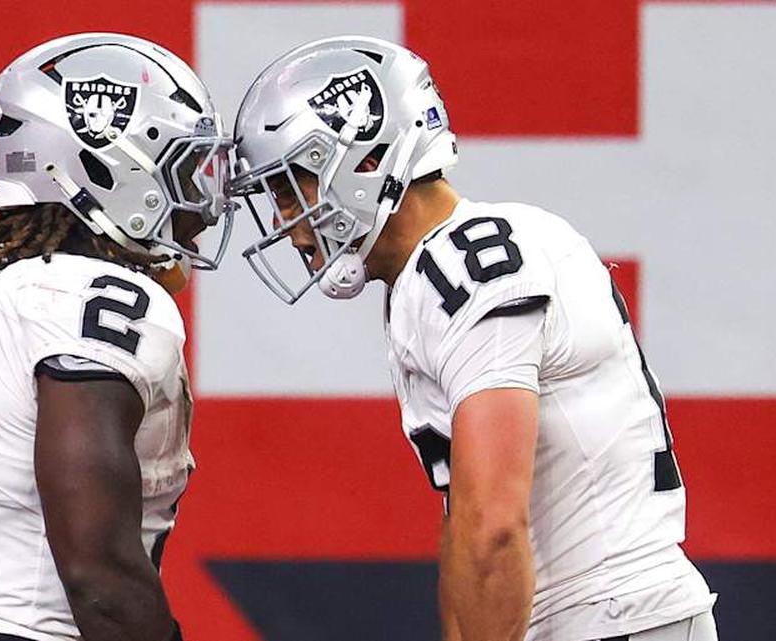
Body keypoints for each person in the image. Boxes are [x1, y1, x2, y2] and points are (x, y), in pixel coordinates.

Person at [229, 36, 718, 641]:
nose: (284, 222)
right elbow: (465, 522)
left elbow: (494, 526)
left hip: (608, 617)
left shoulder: (467, 263)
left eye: (288, 189)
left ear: (361, 160)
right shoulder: (429, 274)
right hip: (595, 618)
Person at [0, 33, 233, 641]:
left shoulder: (15, 291)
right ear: (107, 165)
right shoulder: (94, 297)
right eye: (182, 169)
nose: (202, 205)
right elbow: (98, 576)